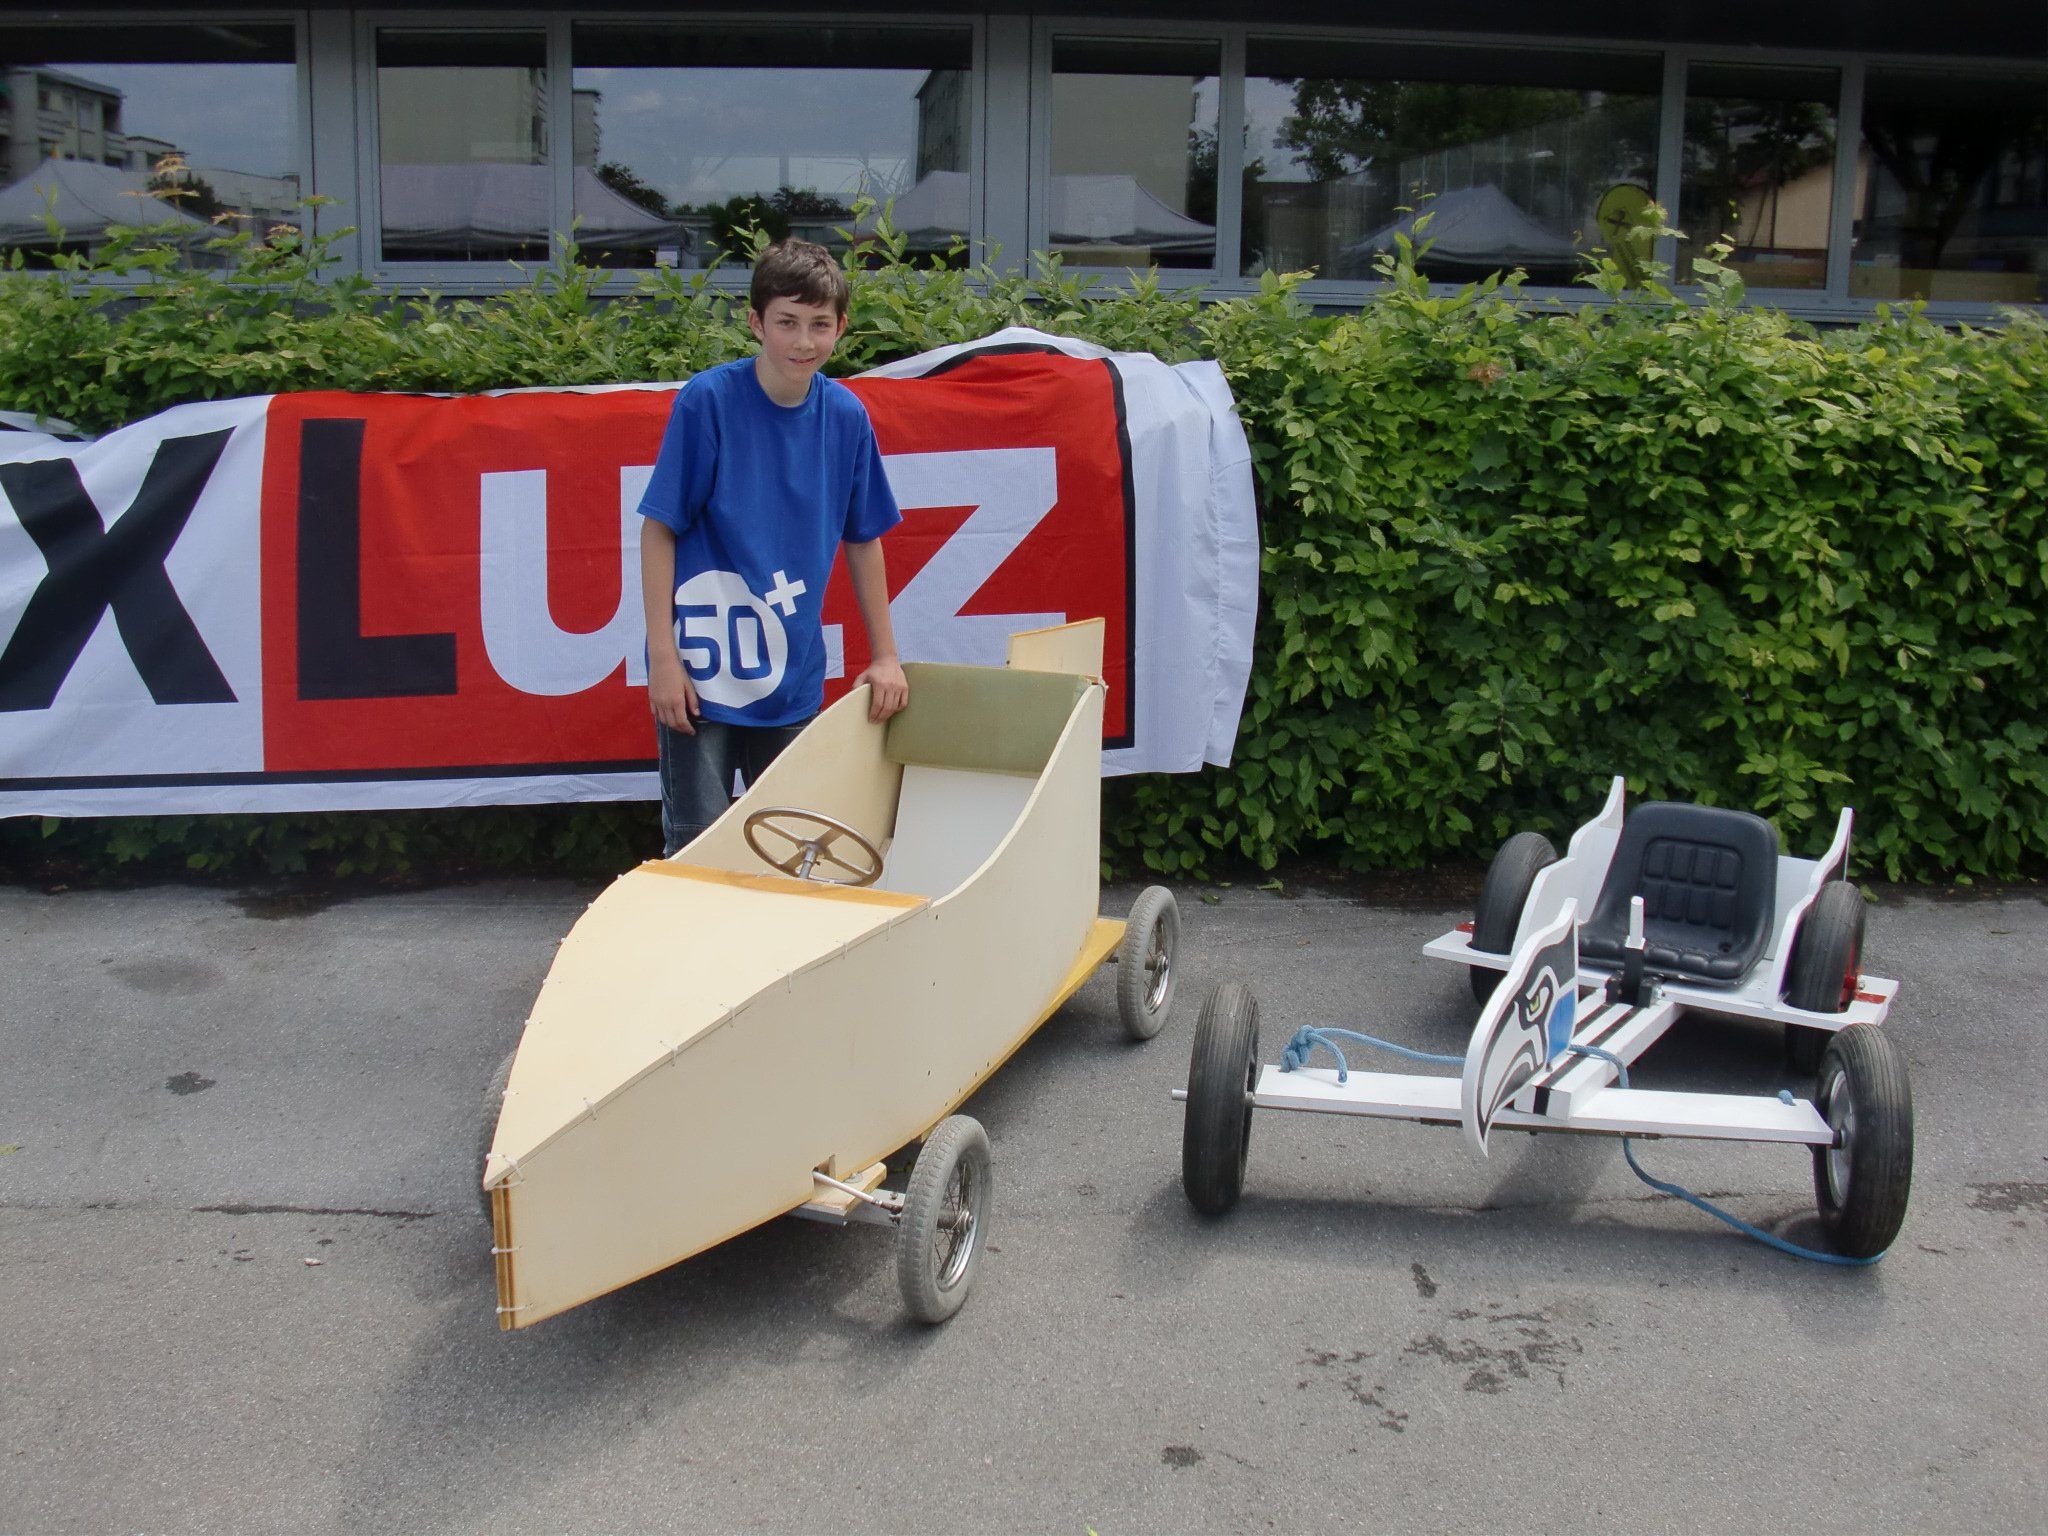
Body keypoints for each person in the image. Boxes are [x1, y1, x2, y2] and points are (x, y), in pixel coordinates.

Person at [636, 239, 909, 857]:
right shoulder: (708, 401)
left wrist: (886, 655)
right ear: (756, 322)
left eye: (819, 324)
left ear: (841, 327)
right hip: (701, 672)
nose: (803, 341)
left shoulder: (846, 416)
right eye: (787, 322)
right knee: (699, 851)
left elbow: (863, 539)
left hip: (791, 675)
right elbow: (659, 528)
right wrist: (662, 657)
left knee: (791, 849)